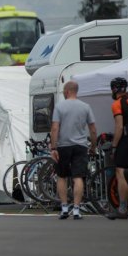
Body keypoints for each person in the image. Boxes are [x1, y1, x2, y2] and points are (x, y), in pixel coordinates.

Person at [50, 80, 96, 220]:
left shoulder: (59, 106)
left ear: (68, 91)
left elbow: (55, 128)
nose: (64, 93)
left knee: (62, 176)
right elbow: (93, 129)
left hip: (63, 146)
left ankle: (64, 208)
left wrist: (53, 147)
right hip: (81, 146)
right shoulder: (86, 107)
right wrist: (93, 146)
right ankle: (76, 210)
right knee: (78, 177)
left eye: (64, 91)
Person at [107, 77, 128, 220]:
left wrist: (114, 146)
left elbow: (119, 126)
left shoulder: (117, 104)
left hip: (126, 140)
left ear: (114, 89)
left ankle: (122, 208)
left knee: (121, 172)